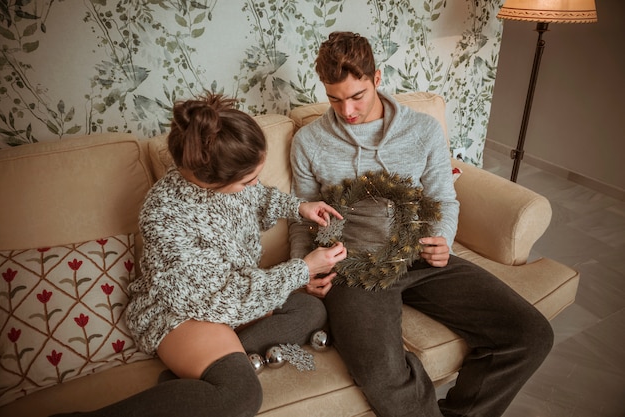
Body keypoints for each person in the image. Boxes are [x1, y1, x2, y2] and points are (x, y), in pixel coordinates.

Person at [288, 31, 554, 417]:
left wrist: (442, 238)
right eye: (334, 98)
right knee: (381, 373)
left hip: (416, 255)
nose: (346, 111)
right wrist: (302, 269)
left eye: (356, 96)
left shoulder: (423, 130)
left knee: (530, 335)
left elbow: (443, 198)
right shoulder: (309, 142)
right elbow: (302, 217)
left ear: (376, 79)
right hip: (353, 266)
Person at [52, 93, 347, 417]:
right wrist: (301, 270)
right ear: (210, 180)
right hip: (182, 312)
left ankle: (192, 382)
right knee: (242, 395)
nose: (254, 185)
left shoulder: (230, 180)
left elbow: (256, 196)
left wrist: (298, 206)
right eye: (247, 180)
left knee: (310, 311)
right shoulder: (165, 216)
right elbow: (222, 296)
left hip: (231, 297)